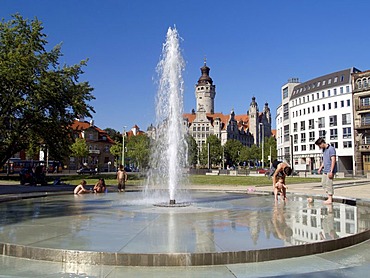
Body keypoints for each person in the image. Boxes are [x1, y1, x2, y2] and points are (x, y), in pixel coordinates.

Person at [315, 137, 337, 204]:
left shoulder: (331, 149)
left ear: (322, 143)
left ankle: (330, 198)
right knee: (323, 183)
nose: (319, 147)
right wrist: (320, 168)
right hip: (325, 170)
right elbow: (324, 160)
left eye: (319, 146)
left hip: (330, 170)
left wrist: (331, 171)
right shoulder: (324, 150)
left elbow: (333, 160)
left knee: (329, 184)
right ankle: (329, 196)